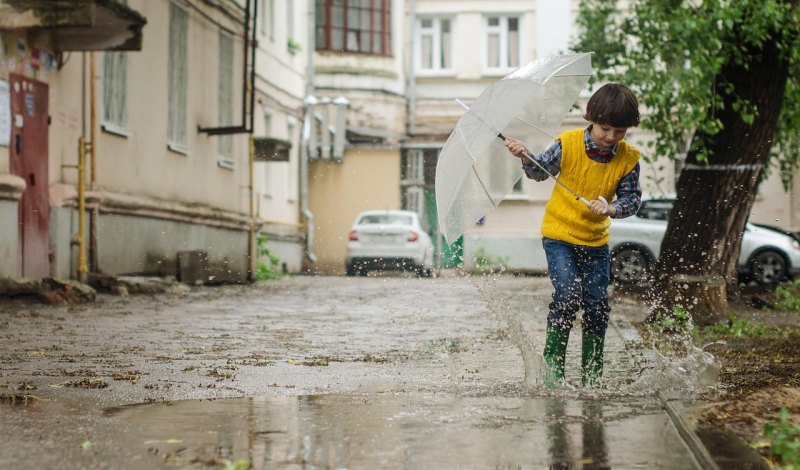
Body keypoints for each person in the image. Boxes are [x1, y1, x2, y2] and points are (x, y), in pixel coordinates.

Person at [505, 83, 642, 387]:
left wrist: (612, 209)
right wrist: (525, 155)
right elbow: (539, 172)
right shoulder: (567, 144)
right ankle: (554, 376)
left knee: (597, 305)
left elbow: (632, 200)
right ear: (591, 119)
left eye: (619, 131)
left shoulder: (629, 159)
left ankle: (592, 379)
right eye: (605, 128)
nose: (611, 137)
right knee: (567, 296)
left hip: (596, 242)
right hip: (559, 237)